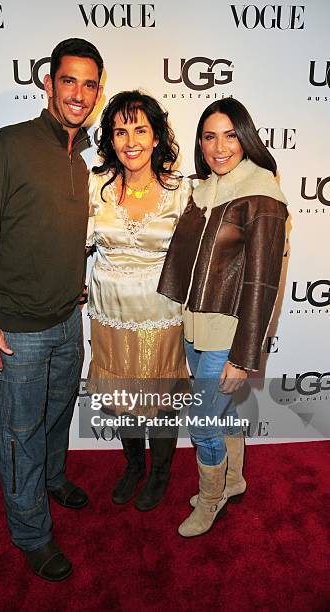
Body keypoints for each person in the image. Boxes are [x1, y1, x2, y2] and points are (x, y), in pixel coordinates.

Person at [0, 38, 103, 581]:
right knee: (19, 437)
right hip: (15, 331)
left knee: (57, 415)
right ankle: (30, 533)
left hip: (67, 322)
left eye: (90, 84)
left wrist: (73, 286)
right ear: (48, 83)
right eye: (69, 80)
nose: (79, 93)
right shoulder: (7, 147)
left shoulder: (81, 164)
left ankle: (54, 478)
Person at [158, 98, 288, 536]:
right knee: (220, 410)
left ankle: (211, 498)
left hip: (228, 334)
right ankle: (232, 479)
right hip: (195, 326)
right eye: (210, 136)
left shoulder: (262, 193)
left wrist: (242, 355)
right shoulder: (203, 190)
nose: (219, 147)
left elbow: (263, 282)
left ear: (246, 137)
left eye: (230, 135)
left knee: (203, 422)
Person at [86, 90, 191, 511]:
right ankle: (133, 466)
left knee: (160, 399)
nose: (130, 140)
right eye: (120, 131)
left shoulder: (180, 190)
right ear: (110, 140)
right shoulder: (97, 187)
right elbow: (74, 243)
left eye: (140, 130)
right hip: (109, 312)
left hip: (161, 315)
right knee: (122, 398)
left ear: (156, 137)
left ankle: (161, 471)